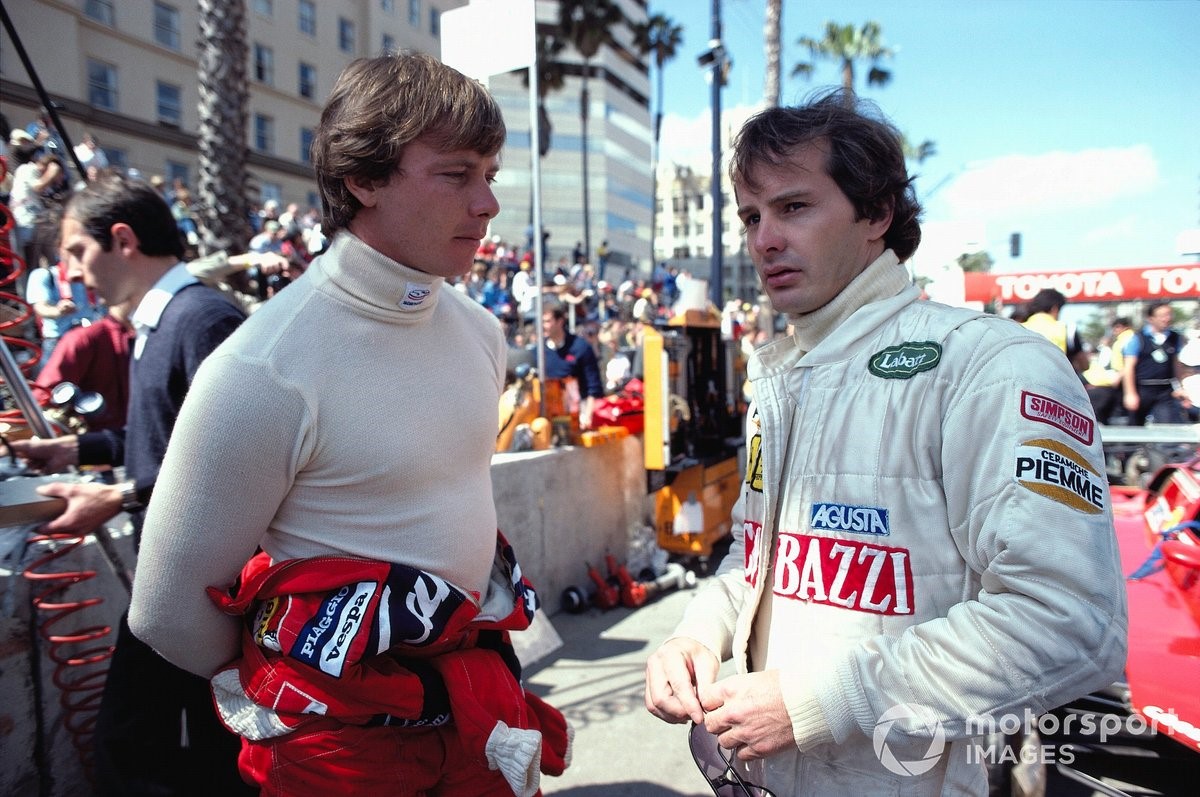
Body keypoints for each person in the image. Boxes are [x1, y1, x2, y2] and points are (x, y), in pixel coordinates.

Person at [643, 91, 1127, 797]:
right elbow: (758, 560)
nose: (764, 238)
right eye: (752, 215)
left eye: (794, 207)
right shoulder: (781, 377)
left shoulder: (990, 364)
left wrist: (823, 701)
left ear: (876, 213)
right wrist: (697, 634)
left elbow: (1067, 618)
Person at [126, 52, 570, 796]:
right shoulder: (261, 368)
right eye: (457, 174)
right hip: (343, 759)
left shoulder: (482, 334)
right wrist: (326, 698)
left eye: (490, 174)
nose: (488, 203)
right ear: (363, 178)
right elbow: (165, 613)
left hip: (478, 714)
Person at [10, 174, 250, 795]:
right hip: (180, 579)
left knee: (140, 741)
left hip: (203, 586)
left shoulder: (202, 318)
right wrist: (75, 448)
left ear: (122, 239)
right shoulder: (162, 322)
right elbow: (164, 438)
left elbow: (233, 458)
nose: (68, 270)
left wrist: (117, 495)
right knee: (195, 748)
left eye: (75, 252)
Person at [1122, 301, 1190, 425]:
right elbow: (1128, 368)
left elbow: (1177, 365)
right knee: (1135, 427)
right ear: (1151, 318)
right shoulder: (1138, 338)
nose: (1167, 319)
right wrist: (1130, 394)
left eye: (1169, 315)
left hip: (1165, 389)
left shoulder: (1175, 338)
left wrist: (1181, 388)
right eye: (1162, 316)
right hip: (1142, 388)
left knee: (1167, 424)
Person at [542, 302, 605, 431]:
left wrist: (587, 416)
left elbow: (593, 386)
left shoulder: (581, 347)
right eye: (542, 322)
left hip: (576, 414)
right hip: (547, 414)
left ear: (560, 321)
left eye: (548, 321)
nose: (544, 326)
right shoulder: (539, 351)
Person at [1021, 287, 1086, 374]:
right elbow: (1084, 364)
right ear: (1054, 309)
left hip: (1024, 385)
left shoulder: (1018, 328)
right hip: (1058, 385)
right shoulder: (1068, 330)